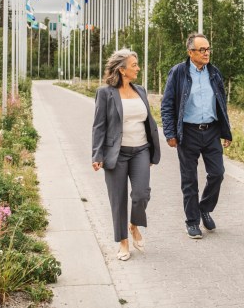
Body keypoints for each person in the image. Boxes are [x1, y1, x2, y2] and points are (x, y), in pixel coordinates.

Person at [92, 49, 161, 261]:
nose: (138, 68)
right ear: (122, 70)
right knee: (118, 199)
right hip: (117, 153)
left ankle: (134, 225)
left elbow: (146, 121)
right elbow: (99, 126)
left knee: (141, 194)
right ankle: (123, 242)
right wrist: (97, 154)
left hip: (141, 150)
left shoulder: (140, 90)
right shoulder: (105, 94)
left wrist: (152, 149)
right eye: (134, 65)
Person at [161, 32, 232, 239]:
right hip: (188, 133)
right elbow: (167, 105)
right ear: (190, 52)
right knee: (189, 180)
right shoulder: (178, 73)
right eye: (202, 50)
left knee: (217, 173)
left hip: (211, 131)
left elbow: (222, 104)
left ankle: (204, 208)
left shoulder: (214, 73)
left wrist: (226, 131)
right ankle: (192, 222)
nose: (206, 53)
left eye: (208, 49)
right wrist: (170, 133)